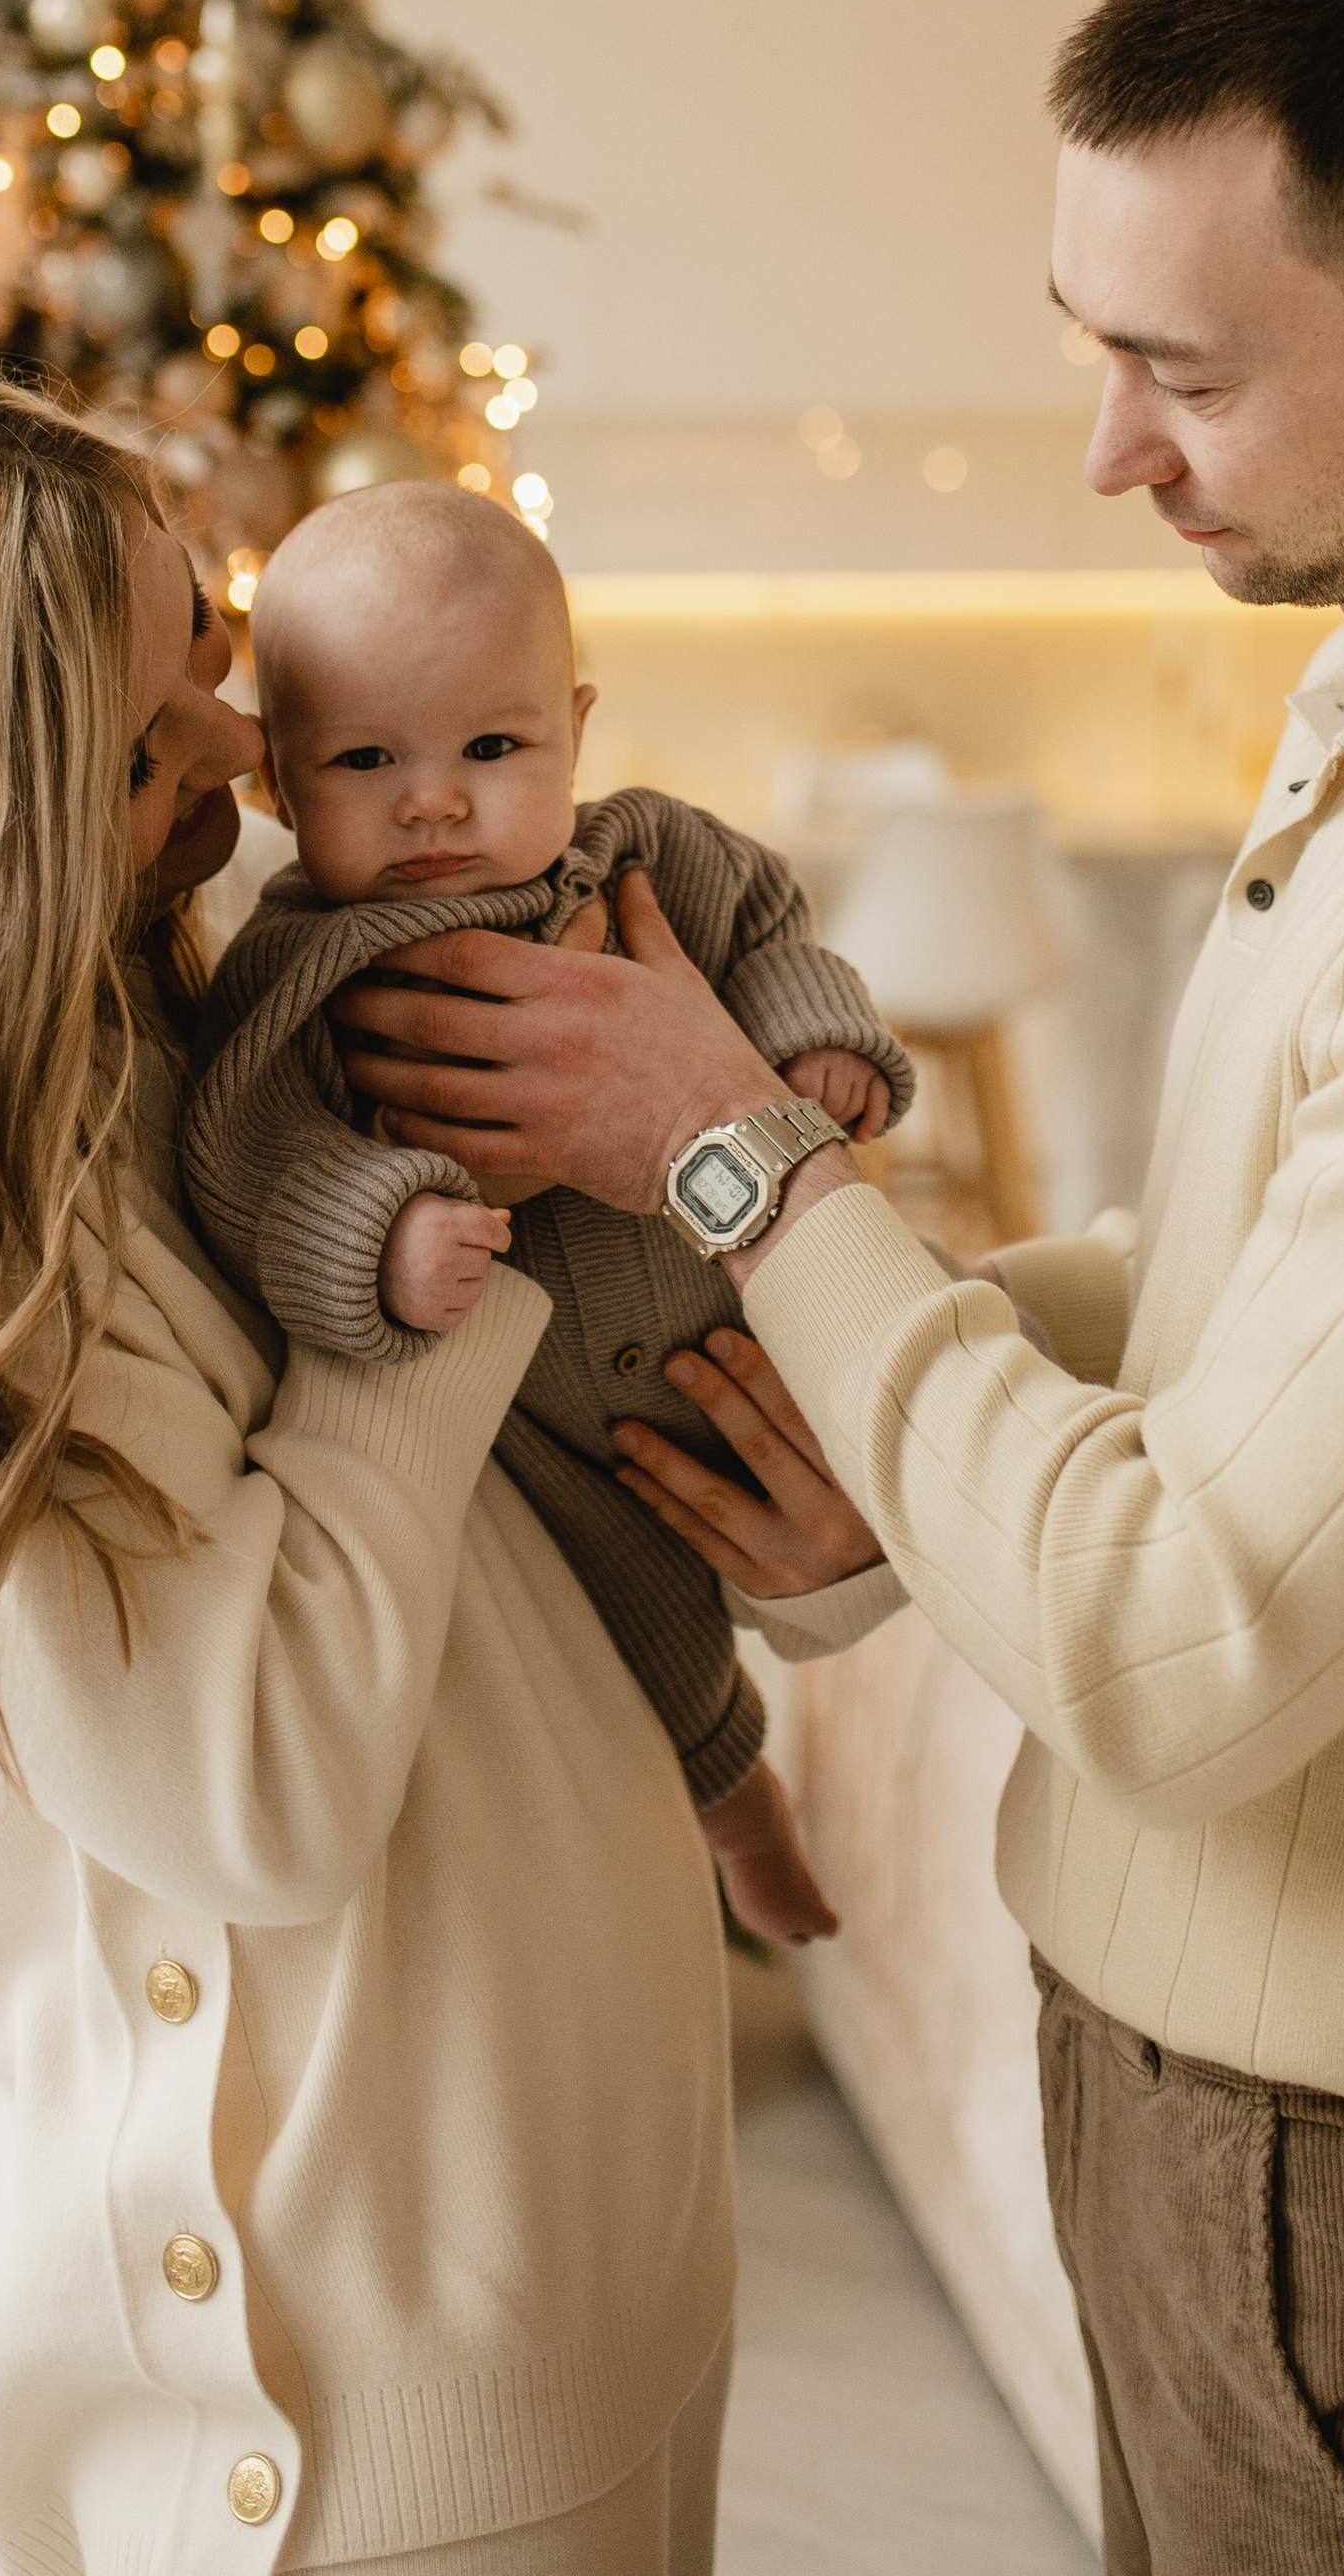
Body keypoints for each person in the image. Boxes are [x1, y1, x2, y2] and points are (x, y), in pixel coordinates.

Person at [331, 0, 1344, 2575]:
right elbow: (1245, 1295)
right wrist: (873, 1351)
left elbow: (1187, 1655)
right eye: (1093, 348)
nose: (1108, 453)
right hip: (1242, 2107)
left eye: (1182, 370)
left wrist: (729, 1155)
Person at [0, 354, 889, 2576]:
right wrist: (420, 1282)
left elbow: (515, 1542)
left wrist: (808, 1516)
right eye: (165, 730)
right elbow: (247, 1789)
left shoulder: (164, 1023)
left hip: (577, 2232)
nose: (255, 753)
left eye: (212, 658)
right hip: (339, 2391)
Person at [181, 477, 911, 1945]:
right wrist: (382, 1232)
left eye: (494, 747)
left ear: (576, 728)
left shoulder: (657, 855)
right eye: (367, 759)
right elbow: (249, 1154)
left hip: (770, 1303)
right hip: (561, 1425)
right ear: (278, 786)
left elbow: (769, 934)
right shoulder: (301, 968)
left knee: (942, 1364)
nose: (435, 798)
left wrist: (817, 1043)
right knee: (637, 1622)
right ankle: (734, 1805)